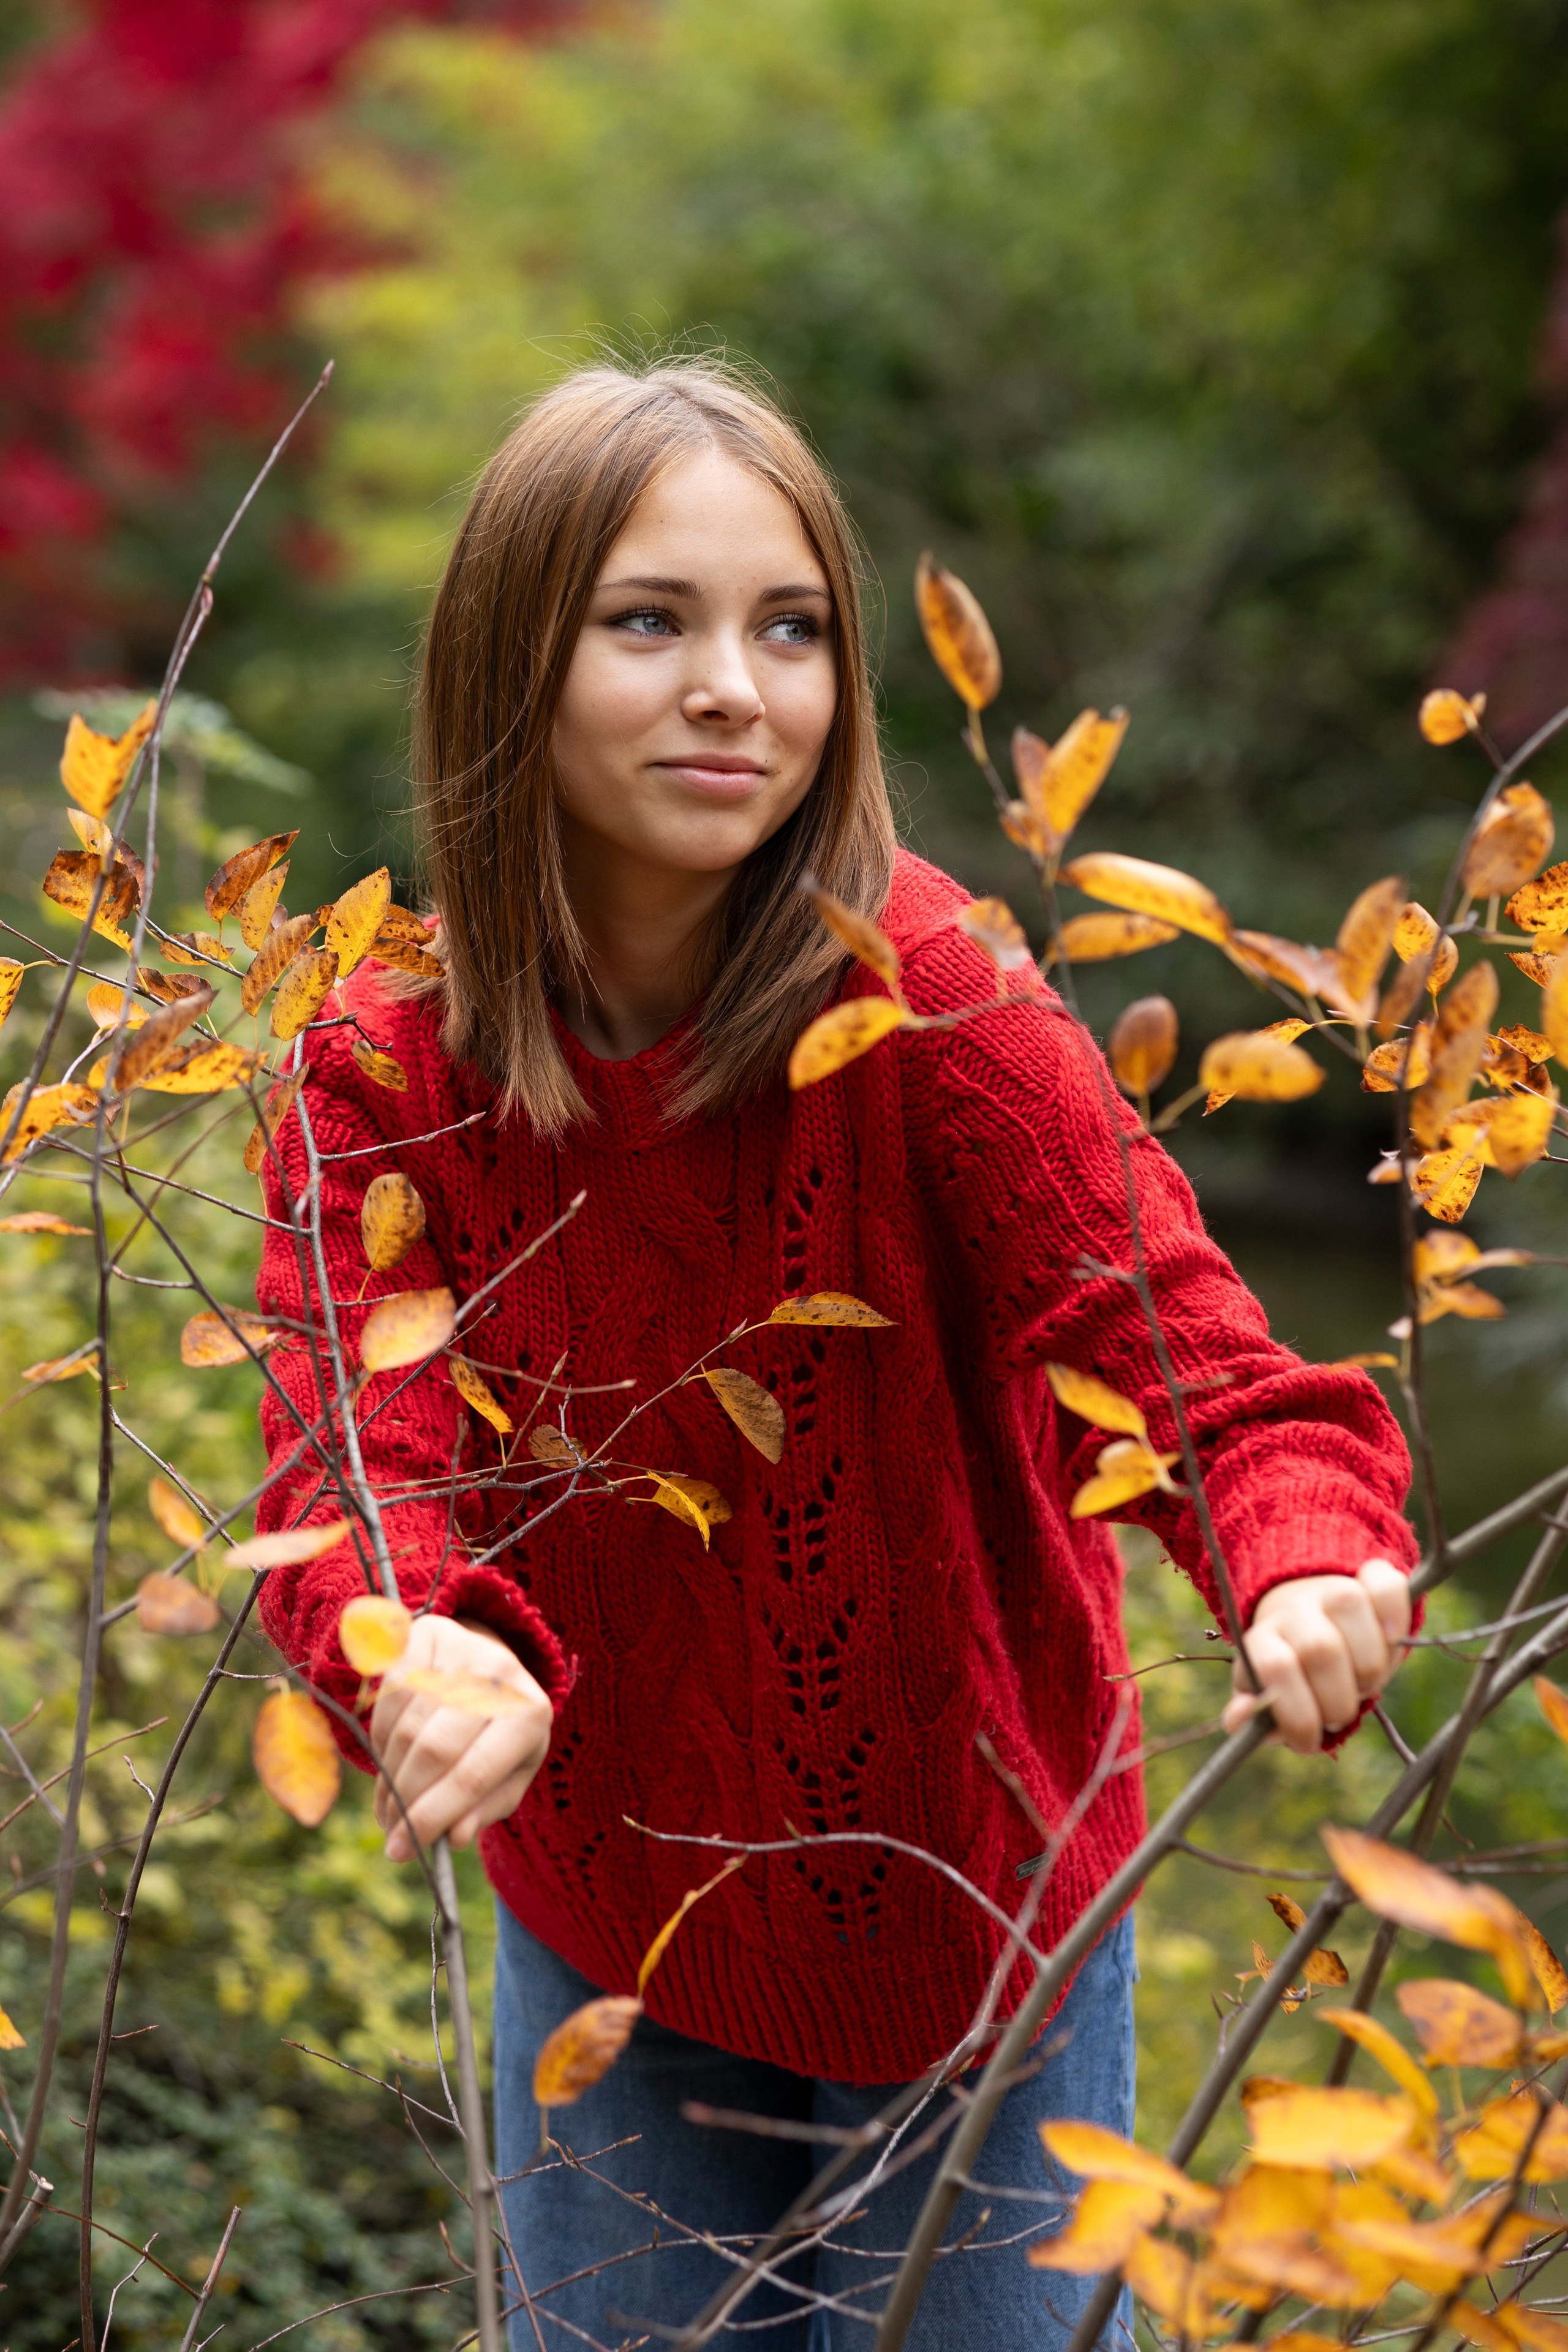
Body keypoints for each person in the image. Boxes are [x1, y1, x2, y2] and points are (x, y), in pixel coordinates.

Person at [253, 359, 1416, 2350]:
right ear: (510, 658)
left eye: (790, 629)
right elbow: (349, 1474)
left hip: (980, 1935)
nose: (737, 687)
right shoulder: (380, 1070)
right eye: (652, 622)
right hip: (608, 1915)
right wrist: (415, 1638)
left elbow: (1193, 1359)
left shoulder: (924, 996)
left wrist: (1300, 1543)